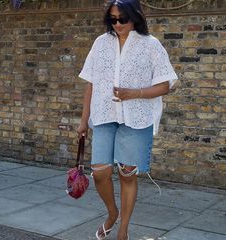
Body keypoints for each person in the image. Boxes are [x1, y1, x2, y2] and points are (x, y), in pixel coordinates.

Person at [77, 0, 178, 239]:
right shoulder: (101, 43)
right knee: (100, 173)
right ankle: (112, 213)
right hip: (103, 115)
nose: (118, 24)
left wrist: (134, 93)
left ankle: (123, 228)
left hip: (137, 118)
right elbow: (91, 83)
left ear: (135, 18)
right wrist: (83, 120)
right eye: (112, 19)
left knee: (127, 174)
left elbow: (166, 85)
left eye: (122, 19)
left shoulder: (150, 45)